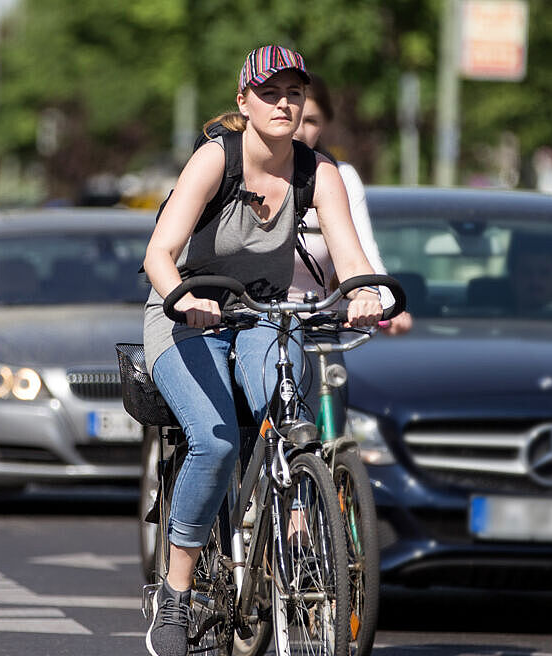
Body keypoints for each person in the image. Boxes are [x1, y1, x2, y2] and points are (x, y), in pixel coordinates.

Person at [140, 45, 383, 656]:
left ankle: (290, 529)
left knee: (286, 416)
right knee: (215, 439)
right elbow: (158, 256)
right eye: (270, 92)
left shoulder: (318, 171)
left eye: (294, 93)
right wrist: (183, 299)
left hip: (263, 316)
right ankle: (176, 590)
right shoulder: (213, 160)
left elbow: (349, 256)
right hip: (184, 314)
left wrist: (361, 293)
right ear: (243, 101)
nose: (284, 102)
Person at [290, 74, 413, 335]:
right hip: (253, 323)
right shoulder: (244, 171)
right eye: (294, 118)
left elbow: (362, 252)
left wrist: (384, 304)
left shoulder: (337, 176)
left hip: (317, 326)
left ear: (325, 125)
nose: (299, 131)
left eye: (311, 121)